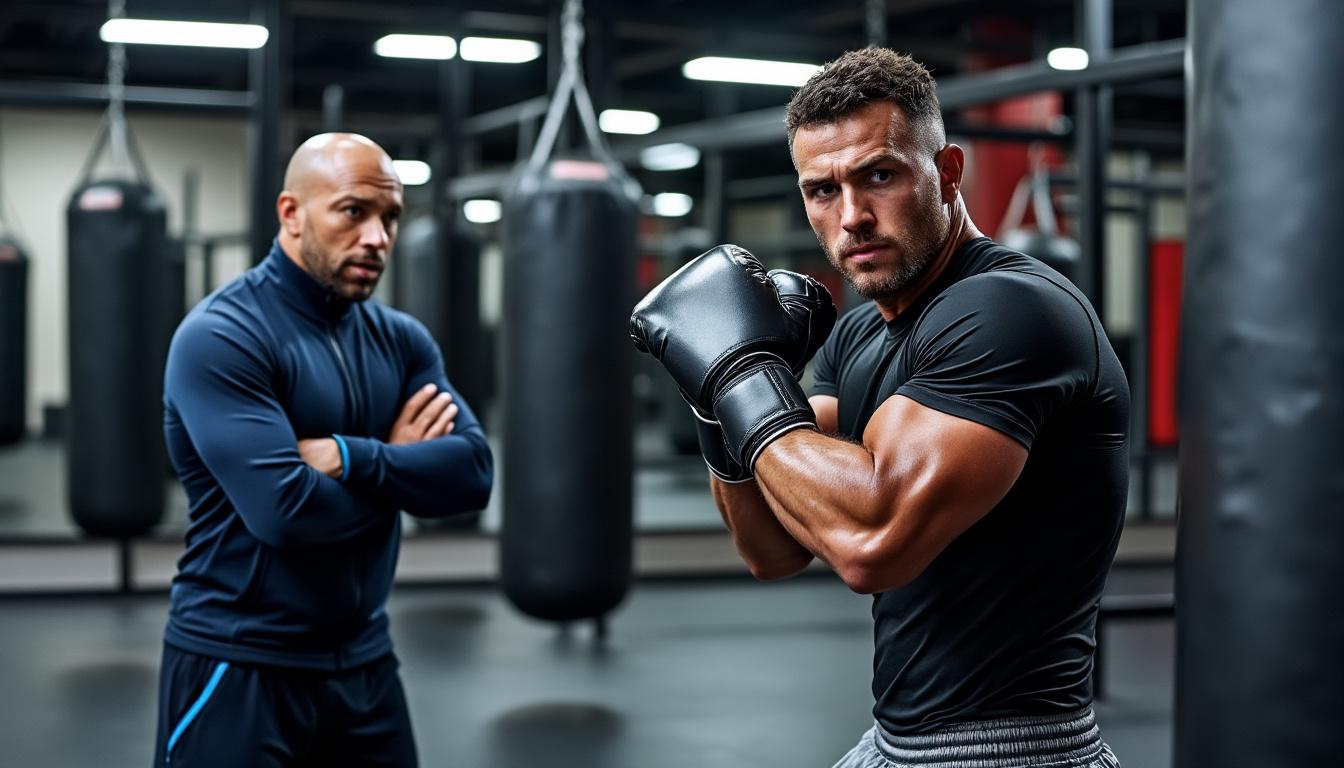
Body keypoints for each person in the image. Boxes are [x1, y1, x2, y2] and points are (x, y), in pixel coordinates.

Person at [631, 47, 1128, 767]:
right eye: (822, 190)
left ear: (948, 172)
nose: (852, 216)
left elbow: (871, 541)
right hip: (897, 738)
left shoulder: (1009, 310)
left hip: (1016, 748)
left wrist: (739, 374)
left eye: (880, 176)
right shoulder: (862, 328)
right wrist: (715, 403)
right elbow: (772, 545)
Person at [153, 133, 493, 768]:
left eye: (390, 216)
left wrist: (355, 457)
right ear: (291, 213)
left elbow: (473, 476)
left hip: (365, 664)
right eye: (353, 211)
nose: (377, 238)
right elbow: (287, 514)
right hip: (240, 662)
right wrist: (402, 470)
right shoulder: (224, 337)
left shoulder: (402, 340)